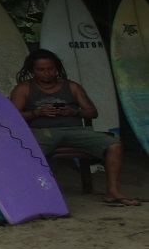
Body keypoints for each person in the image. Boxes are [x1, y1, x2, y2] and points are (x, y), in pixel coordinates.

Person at [10, 49, 134, 205]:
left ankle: (113, 192)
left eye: (51, 69)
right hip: (42, 132)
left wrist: (74, 111)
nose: (47, 73)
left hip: (76, 131)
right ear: (32, 70)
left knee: (114, 145)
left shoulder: (72, 86)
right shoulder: (24, 88)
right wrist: (37, 112)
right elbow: (12, 116)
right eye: (41, 70)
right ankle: (37, 195)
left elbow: (92, 112)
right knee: (28, 152)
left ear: (57, 68)